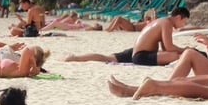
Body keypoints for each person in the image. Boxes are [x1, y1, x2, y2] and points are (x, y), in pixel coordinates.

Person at [63, 6, 191, 65]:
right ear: (179, 17)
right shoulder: (166, 24)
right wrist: (186, 50)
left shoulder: (162, 21)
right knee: (177, 56)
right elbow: (169, 48)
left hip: (136, 51)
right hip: (142, 56)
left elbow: (165, 48)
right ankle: (74, 58)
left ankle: (75, 58)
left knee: (106, 57)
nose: (184, 25)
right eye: (184, 22)